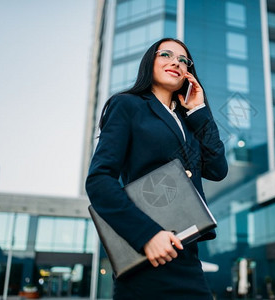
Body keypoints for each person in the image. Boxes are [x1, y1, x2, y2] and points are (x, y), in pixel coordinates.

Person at [85, 38, 228, 299]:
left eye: (184, 60)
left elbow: (218, 169)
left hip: (187, 256)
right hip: (146, 256)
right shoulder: (127, 105)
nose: (176, 62)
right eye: (166, 55)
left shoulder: (189, 122)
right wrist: (147, 235)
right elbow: (99, 181)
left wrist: (199, 110)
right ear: (149, 62)